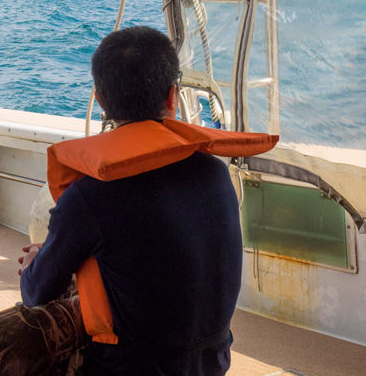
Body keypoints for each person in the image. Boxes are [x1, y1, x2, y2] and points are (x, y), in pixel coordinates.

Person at [18, 26, 277, 375]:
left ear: (100, 100)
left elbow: (36, 294)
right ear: (172, 95)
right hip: (211, 364)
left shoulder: (89, 192)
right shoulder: (215, 172)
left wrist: (39, 261)